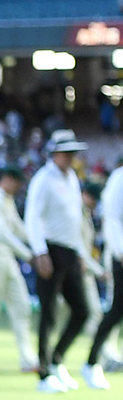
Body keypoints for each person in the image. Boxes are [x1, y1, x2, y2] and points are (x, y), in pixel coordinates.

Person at [25, 130, 93, 392]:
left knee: (82, 310)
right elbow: (32, 216)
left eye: (73, 153)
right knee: (49, 313)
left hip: (70, 251)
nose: (71, 157)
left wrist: (80, 253)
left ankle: (56, 359)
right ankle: (43, 374)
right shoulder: (43, 179)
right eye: (67, 153)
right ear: (55, 153)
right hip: (50, 251)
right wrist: (40, 252)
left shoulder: (72, 177)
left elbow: (75, 217)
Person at [0, 168, 38, 375]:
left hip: (7, 258)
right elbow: (0, 232)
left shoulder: (7, 200)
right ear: (8, 180)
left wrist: (40, 244)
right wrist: (29, 254)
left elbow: (18, 229)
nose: (19, 187)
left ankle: (27, 358)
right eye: (17, 182)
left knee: (22, 306)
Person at [83, 163, 123, 383]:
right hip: (118, 257)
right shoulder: (119, 179)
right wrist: (120, 251)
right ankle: (93, 360)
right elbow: (113, 219)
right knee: (114, 310)